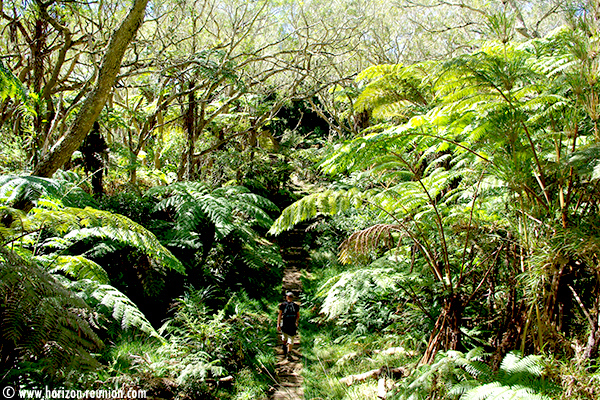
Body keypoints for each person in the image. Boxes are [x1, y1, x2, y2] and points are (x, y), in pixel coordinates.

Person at [277, 291, 300, 360]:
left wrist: (278, 324)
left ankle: (285, 347)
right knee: (291, 339)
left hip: (285, 324)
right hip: (292, 324)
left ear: (287, 297)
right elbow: (298, 315)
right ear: (292, 298)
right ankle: (289, 353)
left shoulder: (282, 305)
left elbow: (280, 315)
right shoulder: (296, 306)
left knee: (284, 337)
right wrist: (296, 322)